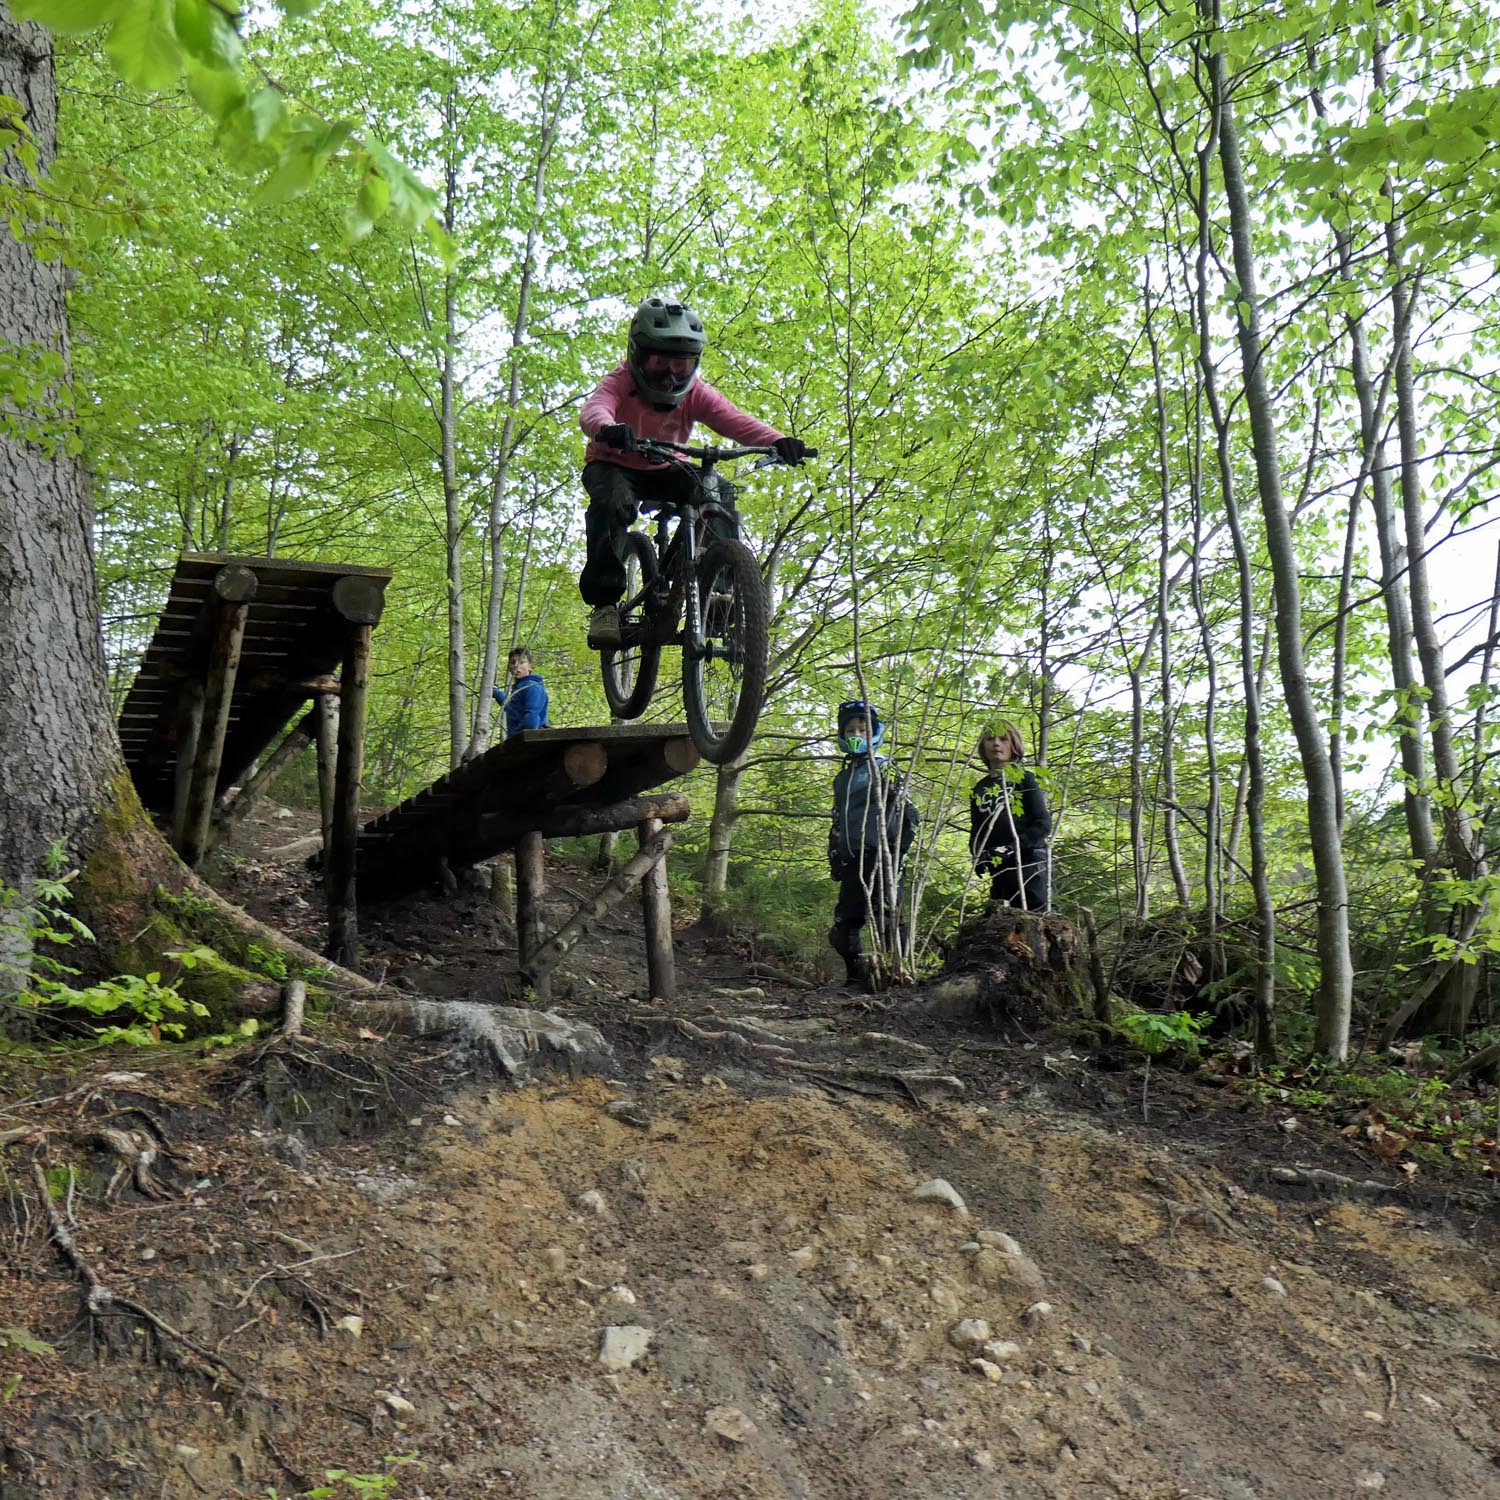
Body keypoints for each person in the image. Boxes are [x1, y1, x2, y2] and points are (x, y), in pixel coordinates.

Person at [577, 296, 808, 648]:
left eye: (681, 366)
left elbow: (735, 421)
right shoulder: (621, 381)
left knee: (716, 491)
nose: (670, 376)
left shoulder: (695, 394)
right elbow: (595, 410)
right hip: (613, 464)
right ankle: (605, 605)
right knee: (611, 504)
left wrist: (779, 441)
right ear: (638, 355)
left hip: (666, 465)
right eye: (659, 363)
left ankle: (718, 592)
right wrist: (608, 428)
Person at [828, 699, 921, 990]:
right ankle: (856, 977)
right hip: (852, 859)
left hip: (883, 856)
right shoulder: (842, 778)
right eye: (851, 730)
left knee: (888, 919)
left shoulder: (885, 768)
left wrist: (897, 851)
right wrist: (835, 853)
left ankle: (898, 978)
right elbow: (837, 819)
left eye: (863, 730)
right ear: (843, 736)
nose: (856, 735)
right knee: (844, 926)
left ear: (875, 733)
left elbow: (910, 815)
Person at [969, 722, 1052, 911]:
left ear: (1013, 745)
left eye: (1003, 739)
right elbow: (976, 830)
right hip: (999, 871)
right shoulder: (980, 788)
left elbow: (1043, 824)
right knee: (1001, 923)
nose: (996, 744)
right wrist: (979, 855)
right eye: (990, 739)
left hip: (1030, 866)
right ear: (983, 746)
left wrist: (1012, 847)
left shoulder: (1025, 779)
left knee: (1036, 920)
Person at [491, 646, 549, 735]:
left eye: (521, 662)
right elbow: (510, 706)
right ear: (509, 667)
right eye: (512, 662)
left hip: (529, 741)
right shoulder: (519, 688)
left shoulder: (532, 686)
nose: (516, 665)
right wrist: (496, 692)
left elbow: (531, 719)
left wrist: (513, 738)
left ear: (530, 666)